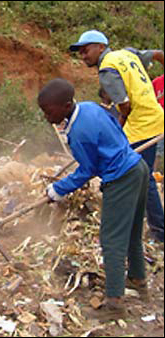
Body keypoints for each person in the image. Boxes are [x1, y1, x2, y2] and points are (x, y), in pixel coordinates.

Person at [39, 78, 149, 321]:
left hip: (121, 179)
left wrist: (56, 189)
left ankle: (115, 303)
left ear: (66, 105)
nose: (46, 117)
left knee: (111, 240)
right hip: (138, 168)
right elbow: (116, 128)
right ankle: (139, 281)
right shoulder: (89, 107)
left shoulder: (79, 132)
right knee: (132, 232)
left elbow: (86, 170)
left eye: (48, 111)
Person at [69, 30, 164, 243]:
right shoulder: (127, 54)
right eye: (80, 52)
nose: (83, 55)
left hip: (141, 127)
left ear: (101, 47)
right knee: (141, 176)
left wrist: (116, 132)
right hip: (154, 118)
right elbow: (158, 54)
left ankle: (159, 232)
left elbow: (125, 106)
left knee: (141, 178)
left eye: (86, 50)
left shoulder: (107, 69)